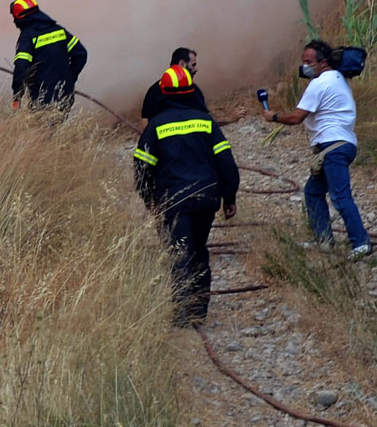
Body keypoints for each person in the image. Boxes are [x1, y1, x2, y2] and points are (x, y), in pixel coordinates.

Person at [134, 65, 239, 326]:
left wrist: (150, 201)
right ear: (192, 91)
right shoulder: (206, 122)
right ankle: (198, 311)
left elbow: (142, 168)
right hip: (206, 200)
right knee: (199, 250)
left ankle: (181, 314)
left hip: (173, 201)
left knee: (179, 252)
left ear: (164, 94)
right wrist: (230, 197)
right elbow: (226, 162)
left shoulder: (156, 126)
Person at [263, 39, 371, 258]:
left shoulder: (320, 83)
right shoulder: (339, 78)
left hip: (333, 147)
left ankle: (361, 242)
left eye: (308, 62)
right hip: (340, 145)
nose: (304, 66)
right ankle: (323, 239)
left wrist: (273, 116)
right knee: (313, 191)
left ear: (322, 63)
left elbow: (296, 117)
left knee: (340, 197)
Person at [9, 0, 87, 109]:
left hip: (42, 97)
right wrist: (69, 79)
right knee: (59, 126)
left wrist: (17, 95)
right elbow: (81, 54)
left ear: (20, 17)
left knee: (40, 126)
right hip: (65, 95)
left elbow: (21, 66)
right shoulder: (58, 30)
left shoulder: (28, 36)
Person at [141, 47, 246, 127]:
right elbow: (206, 119)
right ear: (182, 64)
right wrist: (228, 118)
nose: (196, 69)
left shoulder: (153, 90)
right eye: (193, 65)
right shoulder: (192, 90)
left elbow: (145, 123)